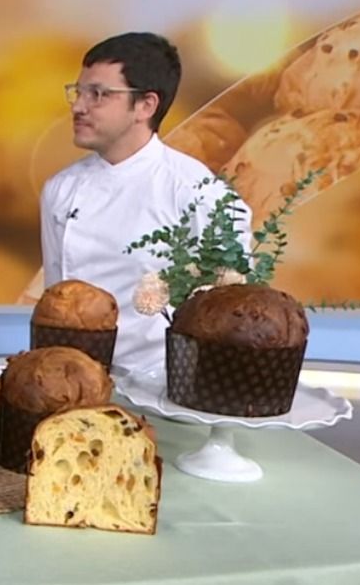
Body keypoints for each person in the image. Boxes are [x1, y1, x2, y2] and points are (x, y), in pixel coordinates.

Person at [40, 32, 251, 379]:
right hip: (72, 380)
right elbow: (53, 302)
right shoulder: (60, 190)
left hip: (161, 384)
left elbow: (229, 309)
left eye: (98, 94)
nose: (78, 107)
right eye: (78, 92)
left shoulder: (196, 192)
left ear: (146, 106)